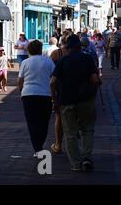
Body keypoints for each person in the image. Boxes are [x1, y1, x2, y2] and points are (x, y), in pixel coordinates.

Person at [50, 34, 100, 172]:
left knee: (70, 133)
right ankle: (86, 158)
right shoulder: (88, 59)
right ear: (80, 46)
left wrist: (54, 100)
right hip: (85, 100)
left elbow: (52, 82)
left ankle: (75, 164)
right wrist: (92, 95)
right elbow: (95, 80)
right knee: (87, 130)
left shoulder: (63, 61)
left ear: (68, 48)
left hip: (66, 101)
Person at [18, 40, 56, 156]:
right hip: (45, 95)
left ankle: (37, 147)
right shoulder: (48, 61)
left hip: (28, 95)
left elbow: (20, 80)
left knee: (32, 122)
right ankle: (40, 144)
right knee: (44, 122)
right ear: (40, 49)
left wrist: (21, 92)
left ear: (29, 50)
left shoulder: (25, 62)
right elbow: (54, 78)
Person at [48, 31, 71, 154]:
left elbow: (51, 72)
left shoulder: (57, 53)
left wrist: (52, 97)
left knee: (59, 117)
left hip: (60, 88)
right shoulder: (76, 53)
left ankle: (58, 144)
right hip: (74, 88)